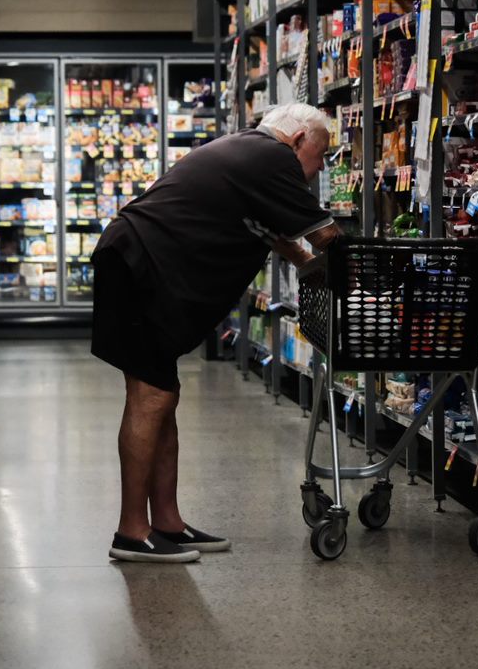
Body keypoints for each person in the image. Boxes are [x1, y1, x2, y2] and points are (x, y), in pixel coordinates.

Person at [91, 103, 340, 562]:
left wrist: (306, 265)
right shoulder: (273, 158)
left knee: (163, 395)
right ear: (300, 138)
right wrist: (373, 277)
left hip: (137, 262)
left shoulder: (250, 153)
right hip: (139, 265)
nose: (322, 165)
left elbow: (265, 229)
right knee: (150, 396)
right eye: (322, 153)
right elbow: (328, 238)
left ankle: (167, 523)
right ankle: (130, 532)